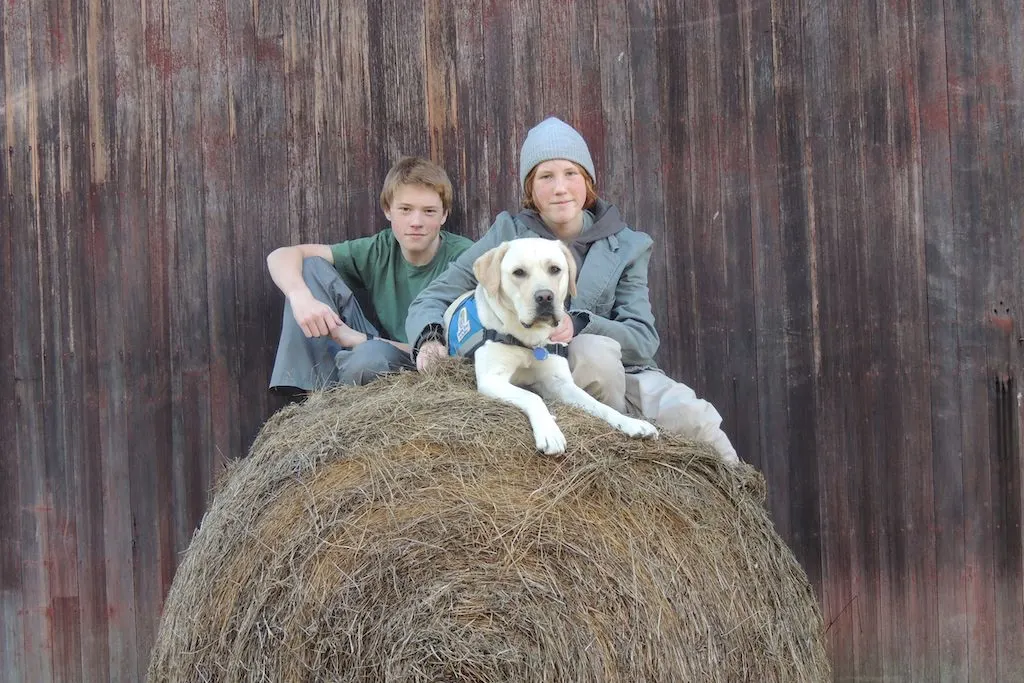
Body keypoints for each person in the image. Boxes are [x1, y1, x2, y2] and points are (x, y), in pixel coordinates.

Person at [405, 117, 739, 464]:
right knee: (594, 358)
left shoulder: (626, 247)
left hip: (622, 371)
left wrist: (579, 323)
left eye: (571, 174)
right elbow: (435, 295)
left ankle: (743, 506)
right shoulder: (508, 236)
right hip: (534, 367)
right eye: (545, 177)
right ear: (530, 189)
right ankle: (612, 462)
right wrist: (429, 338)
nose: (560, 187)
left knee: (695, 419)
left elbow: (642, 339)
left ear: (587, 182)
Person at [268, 156, 473, 392]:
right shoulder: (381, 248)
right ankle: (307, 395)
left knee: (369, 358)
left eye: (429, 211)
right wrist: (300, 297)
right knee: (310, 267)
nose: (416, 222)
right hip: (376, 349)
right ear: (388, 210)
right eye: (405, 209)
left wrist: (362, 339)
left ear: (444, 215)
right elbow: (281, 255)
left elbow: (452, 353)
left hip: (425, 361)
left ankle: (339, 392)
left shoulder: (465, 257)